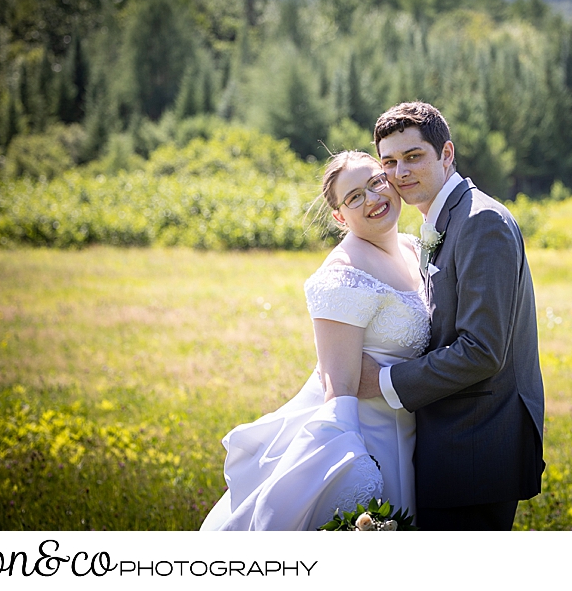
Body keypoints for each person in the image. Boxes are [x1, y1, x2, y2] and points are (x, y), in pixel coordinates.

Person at [200, 151, 427, 531]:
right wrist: (352, 471)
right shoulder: (343, 274)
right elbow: (337, 387)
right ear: (340, 216)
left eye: (376, 182)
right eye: (354, 197)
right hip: (369, 436)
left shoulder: (413, 248)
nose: (372, 198)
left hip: (411, 427)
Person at [358, 101, 544, 531]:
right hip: (451, 441)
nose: (400, 172)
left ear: (446, 154)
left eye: (413, 156)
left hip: (476, 445)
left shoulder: (481, 222)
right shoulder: (446, 219)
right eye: (389, 162)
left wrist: (381, 382)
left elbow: (481, 351)